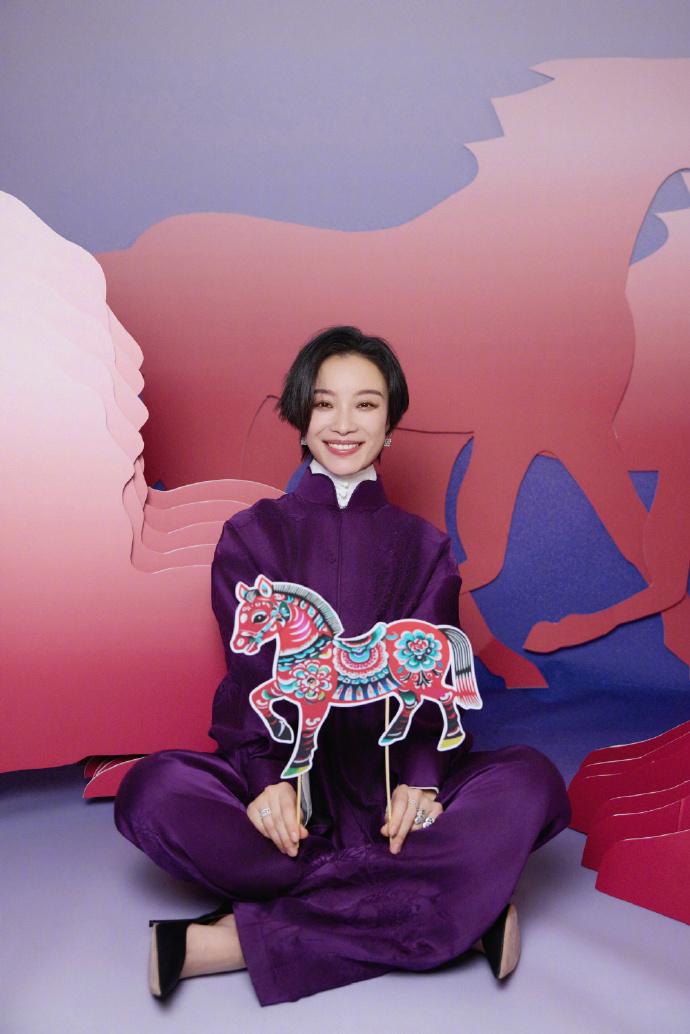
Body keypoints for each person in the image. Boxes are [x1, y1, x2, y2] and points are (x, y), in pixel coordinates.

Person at [114, 325, 571, 1006]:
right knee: (150, 792)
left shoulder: (424, 547)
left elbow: (425, 685)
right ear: (301, 417)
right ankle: (452, 908)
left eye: (366, 404)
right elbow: (250, 677)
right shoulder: (250, 536)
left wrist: (421, 782)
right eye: (325, 403)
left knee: (533, 784)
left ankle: (230, 943)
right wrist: (265, 783)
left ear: (391, 424)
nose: (344, 423)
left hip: (391, 800)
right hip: (287, 805)